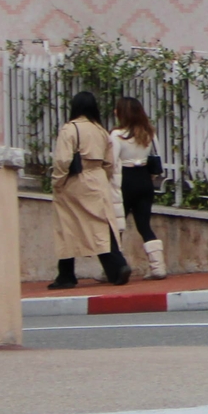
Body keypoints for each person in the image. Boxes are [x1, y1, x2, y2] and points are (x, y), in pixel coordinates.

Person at [48, 90, 132, 289]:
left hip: (76, 180)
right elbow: (110, 162)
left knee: (67, 226)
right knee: (101, 224)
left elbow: (62, 160)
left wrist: (57, 182)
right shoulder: (101, 130)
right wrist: (103, 176)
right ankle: (116, 266)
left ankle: (66, 274)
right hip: (98, 177)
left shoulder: (70, 129)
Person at [110, 94, 167, 281]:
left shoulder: (117, 135)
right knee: (144, 225)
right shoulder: (149, 133)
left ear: (122, 113)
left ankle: (115, 267)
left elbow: (111, 161)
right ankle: (158, 266)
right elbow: (155, 157)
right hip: (144, 179)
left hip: (125, 180)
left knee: (116, 226)